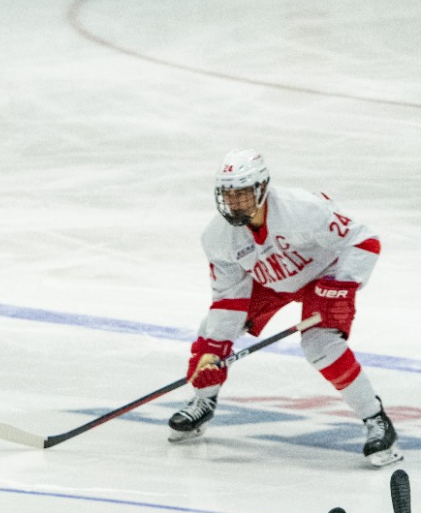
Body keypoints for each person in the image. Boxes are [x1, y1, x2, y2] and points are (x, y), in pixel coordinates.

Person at [170, 151, 398, 466]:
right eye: (228, 195)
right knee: (210, 330)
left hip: (323, 275)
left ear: (262, 188)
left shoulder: (302, 209)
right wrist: (213, 352)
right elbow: (228, 298)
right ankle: (203, 401)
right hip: (271, 279)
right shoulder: (218, 236)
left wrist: (340, 286)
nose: (234, 203)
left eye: (243, 194)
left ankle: (376, 419)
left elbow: (365, 242)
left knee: (320, 345)